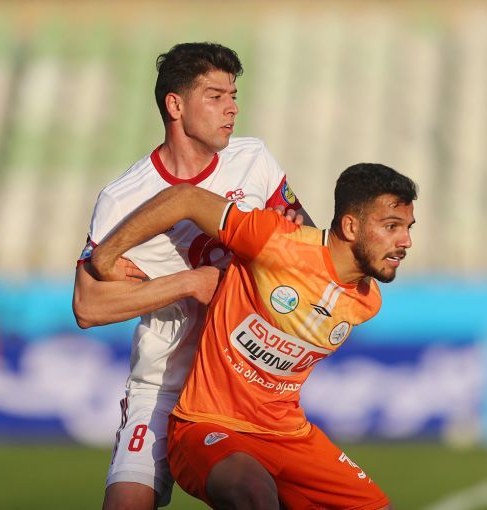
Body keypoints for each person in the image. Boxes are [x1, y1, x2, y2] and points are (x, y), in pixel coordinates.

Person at [91, 163, 417, 509]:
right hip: (207, 424)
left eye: (408, 228)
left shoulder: (366, 302)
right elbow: (185, 198)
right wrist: (104, 256)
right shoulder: (276, 240)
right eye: (391, 227)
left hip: (288, 435)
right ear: (351, 226)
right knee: (254, 495)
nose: (406, 242)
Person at [72, 42, 311, 510]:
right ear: (175, 105)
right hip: (162, 385)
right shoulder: (124, 197)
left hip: (239, 389)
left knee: (253, 496)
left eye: (233, 95)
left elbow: (301, 248)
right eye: (215, 96)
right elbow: (87, 306)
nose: (232, 108)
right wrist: (187, 283)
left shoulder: (254, 160)